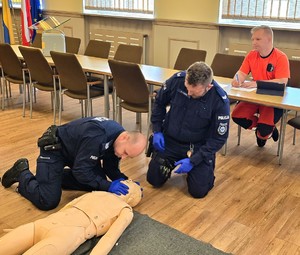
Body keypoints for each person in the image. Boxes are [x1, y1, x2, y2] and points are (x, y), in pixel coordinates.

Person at [1, 117, 147, 211]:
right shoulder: (97, 135)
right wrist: (109, 185)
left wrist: (125, 181)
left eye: (128, 156)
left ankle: (54, 178)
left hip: (77, 153)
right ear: (125, 137)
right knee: (47, 201)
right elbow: (81, 171)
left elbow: (110, 166)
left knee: (95, 184)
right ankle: (21, 173)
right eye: (126, 153)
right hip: (54, 150)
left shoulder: (117, 138)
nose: (124, 157)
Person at [147, 61, 230, 198]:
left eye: (194, 92)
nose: (189, 93)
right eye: (187, 88)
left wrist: (195, 160)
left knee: (198, 192)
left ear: (208, 87)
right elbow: (160, 102)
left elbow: (219, 138)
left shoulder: (219, 100)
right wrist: (157, 130)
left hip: (197, 147)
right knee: (153, 180)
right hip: (171, 141)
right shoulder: (177, 80)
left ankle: (202, 170)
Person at [0, 180, 142, 255]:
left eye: (130, 184)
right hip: (44, 223)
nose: (126, 182)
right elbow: (67, 207)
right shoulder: (96, 193)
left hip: (66, 235)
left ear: (132, 198)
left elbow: (110, 238)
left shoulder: (125, 210)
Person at [231, 25, 290, 147]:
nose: (253, 42)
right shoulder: (251, 55)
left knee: (263, 131)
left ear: (269, 39)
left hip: (272, 100)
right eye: (252, 39)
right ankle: (265, 130)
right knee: (237, 116)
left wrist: (257, 83)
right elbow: (241, 73)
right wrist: (237, 79)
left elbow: (282, 82)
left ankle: (265, 132)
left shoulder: (281, 57)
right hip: (254, 97)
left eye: (258, 39)